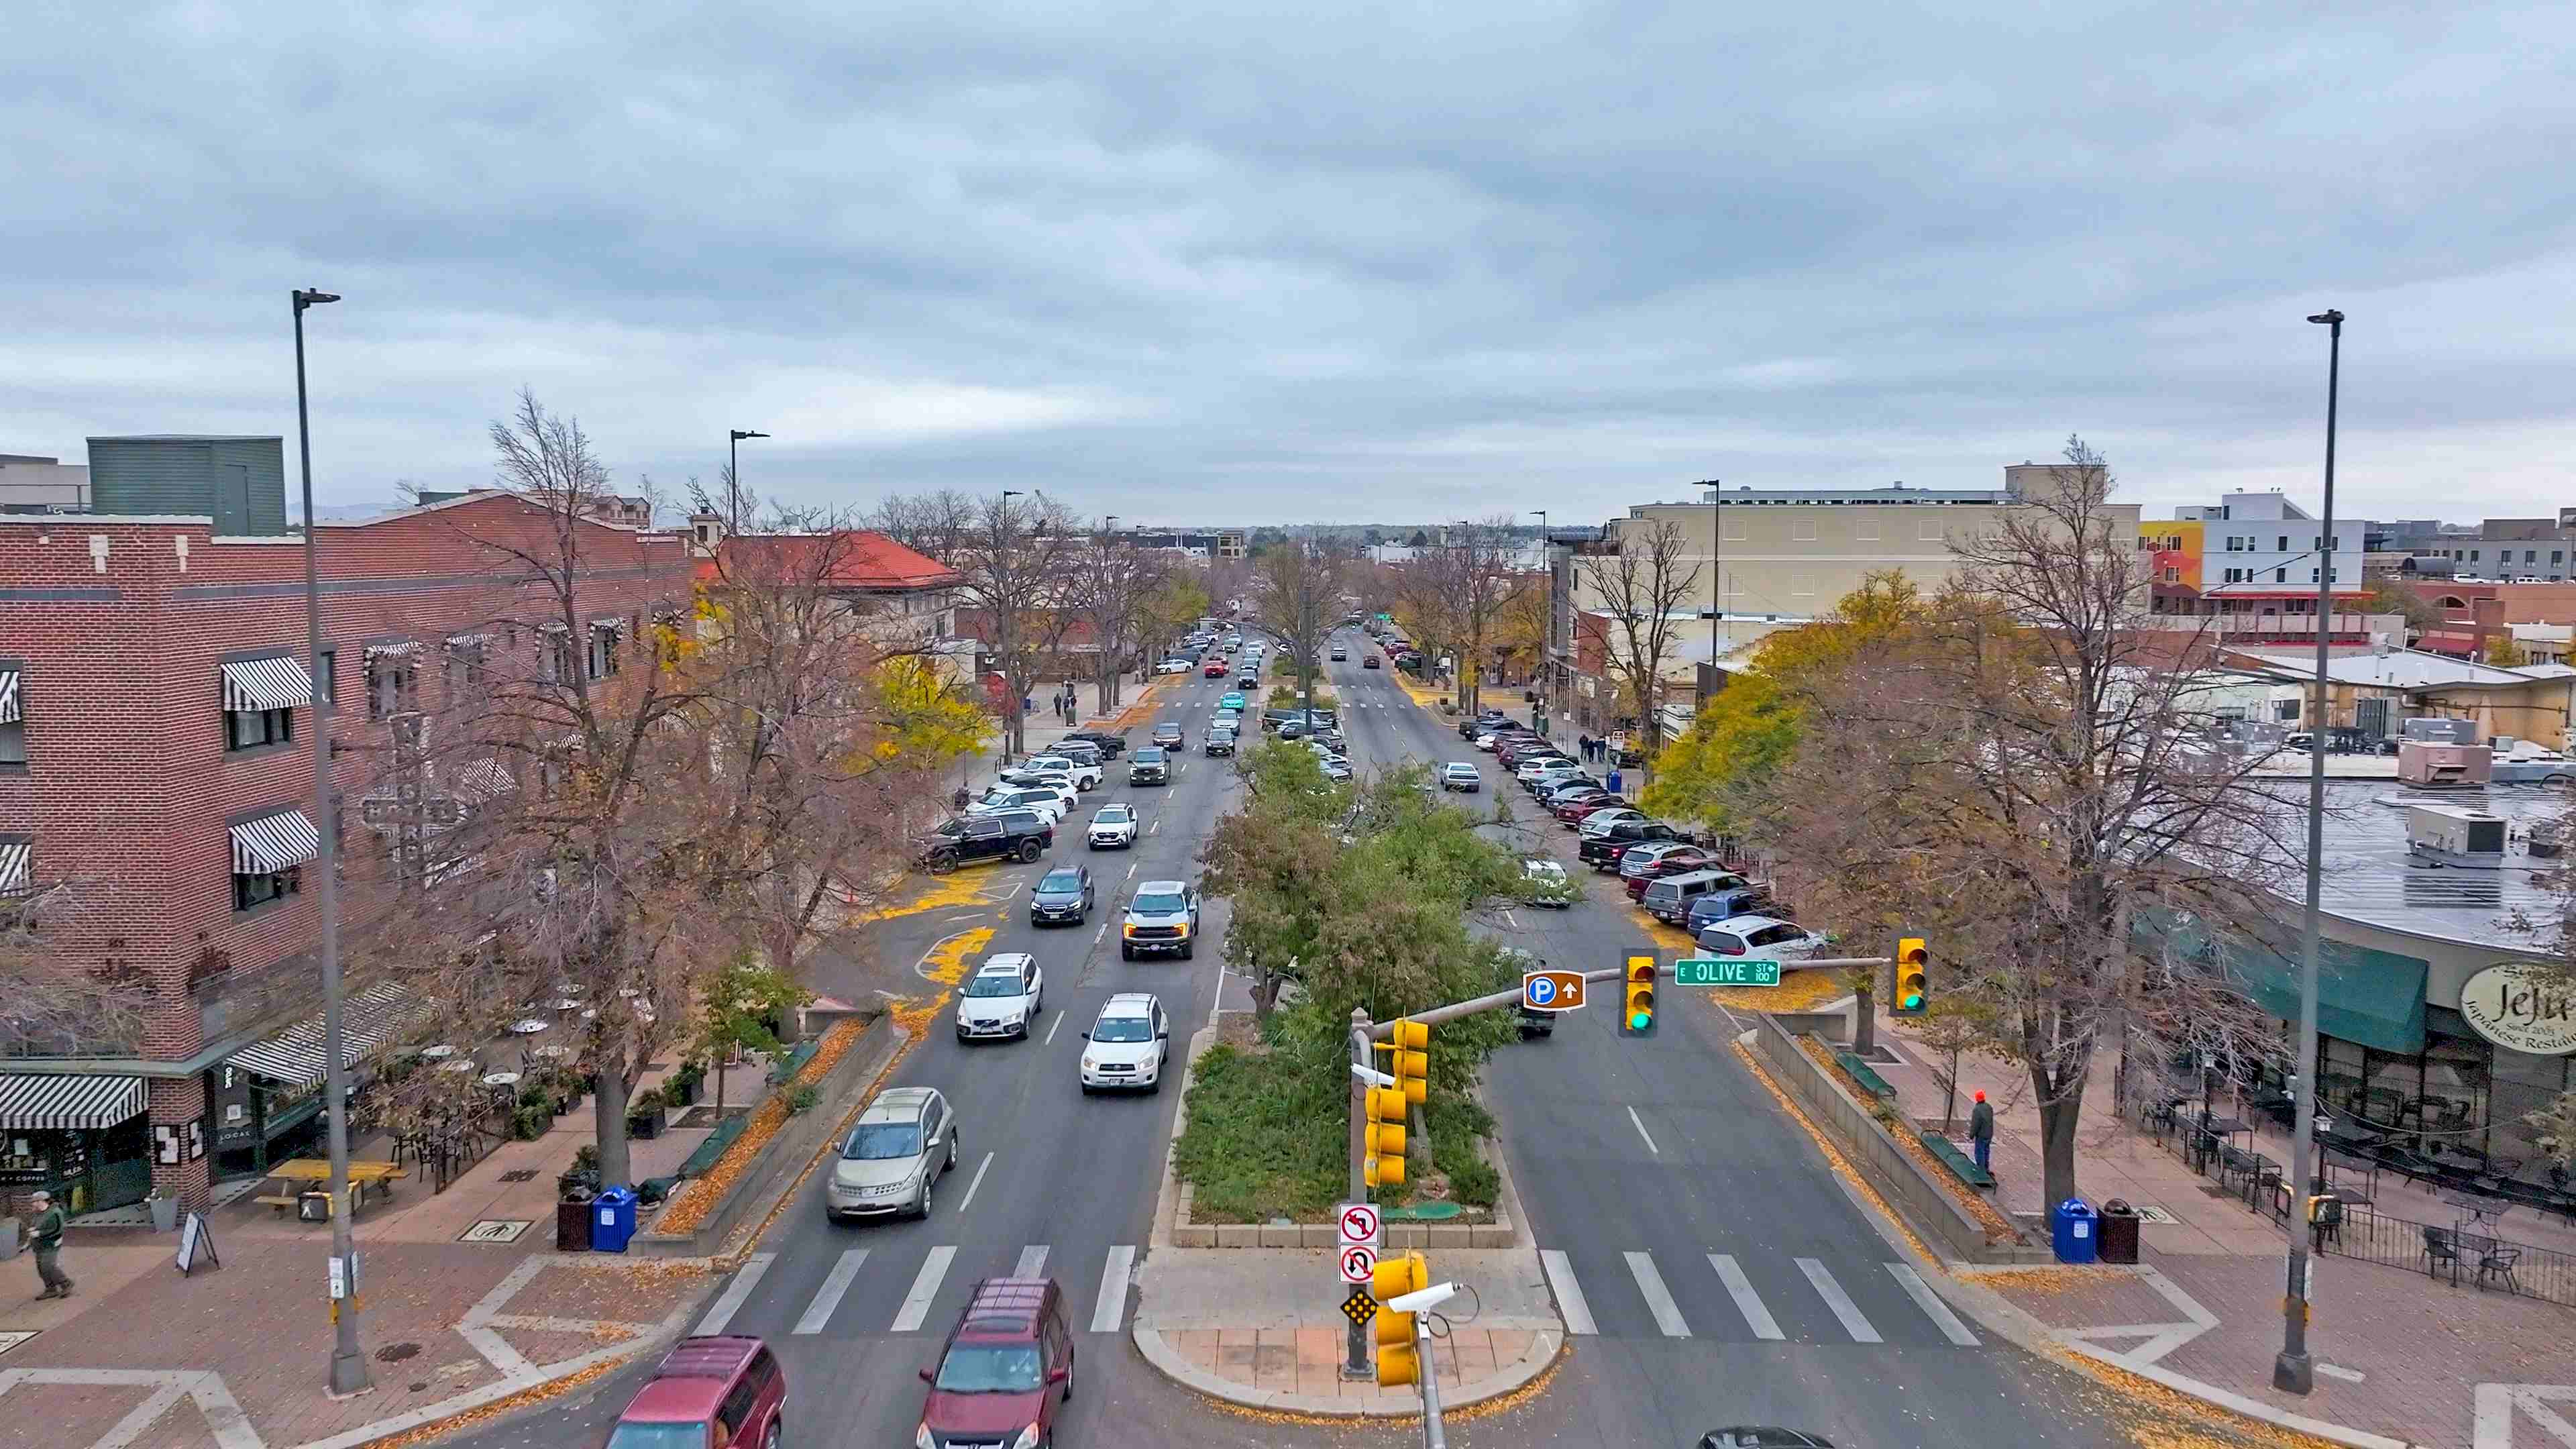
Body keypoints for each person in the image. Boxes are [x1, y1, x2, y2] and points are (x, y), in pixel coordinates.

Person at [23, 1189, 70, 1300]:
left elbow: (58, 1230)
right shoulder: (37, 1213)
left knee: (48, 1266)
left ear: (42, 1201)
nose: (33, 1204)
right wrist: (33, 1231)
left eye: (35, 1201)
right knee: (41, 1268)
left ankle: (66, 1283)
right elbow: (36, 1225)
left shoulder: (55, 1213)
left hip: (51, 1244)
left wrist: (39, 1233)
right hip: (39, 1245)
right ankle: (50, 1289)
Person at [1969, 1090, 1995, 1174]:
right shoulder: (1989, 1107)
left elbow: (1975, 1124)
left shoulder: (1977, 1110)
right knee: (1986, 1151)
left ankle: (1981, 1171)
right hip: (1989, 1134)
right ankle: (1986, 1168)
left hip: (1981, 1135)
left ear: (1977, 1099)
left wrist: (1972, 1134)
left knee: (1979, 1152)